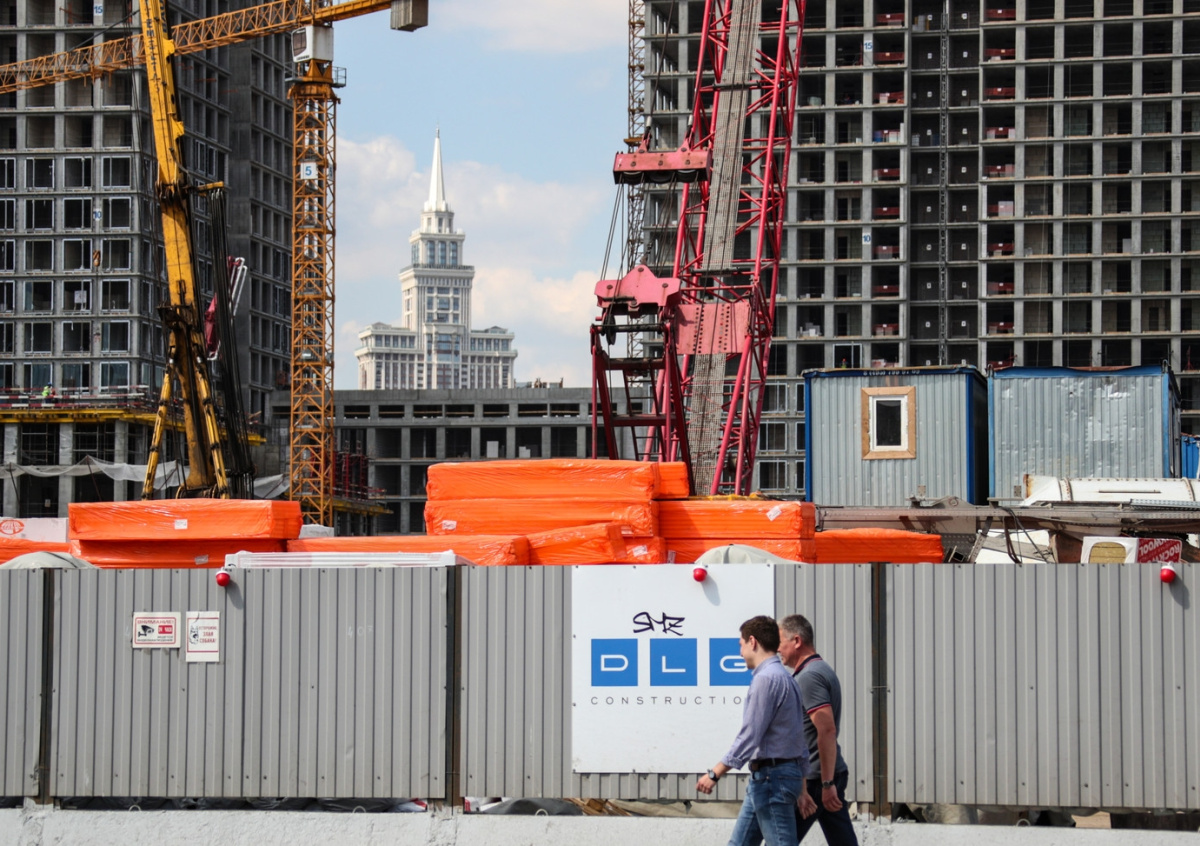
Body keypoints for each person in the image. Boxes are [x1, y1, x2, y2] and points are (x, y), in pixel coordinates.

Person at [696, 615, 807, 846]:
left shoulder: (766, 679)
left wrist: (715, 773)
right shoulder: (787, 679)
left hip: (771, 779)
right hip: (773, 777)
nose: (740, 653)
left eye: (741, 645)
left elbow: (750, 736)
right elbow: (800, 736)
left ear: (753, 642)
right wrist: (802, 782)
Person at [778, 614, 859, 846]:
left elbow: (827, 730)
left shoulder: (810, 677)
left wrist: (826, 783)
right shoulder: (817, 670)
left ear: (796, 641)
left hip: (815, 780)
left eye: (780, 642)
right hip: (826, 776)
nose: (777, 649)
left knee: (781, 840)